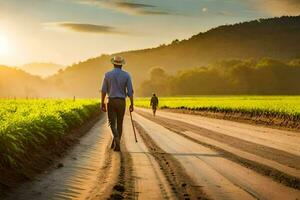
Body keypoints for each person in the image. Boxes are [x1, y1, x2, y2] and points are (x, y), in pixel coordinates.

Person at [101, 56, 134, 152]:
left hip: (111, 101)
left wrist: (102, 103)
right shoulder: (127, 75)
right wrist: (132, 104)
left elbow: (103, 90)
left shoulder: (107, 75)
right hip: (121, 101)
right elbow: (130, 92)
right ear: (122, 65)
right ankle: (117, 141)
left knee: (111, 123)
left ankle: (116, 138)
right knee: (120, 123)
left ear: (113, 64)